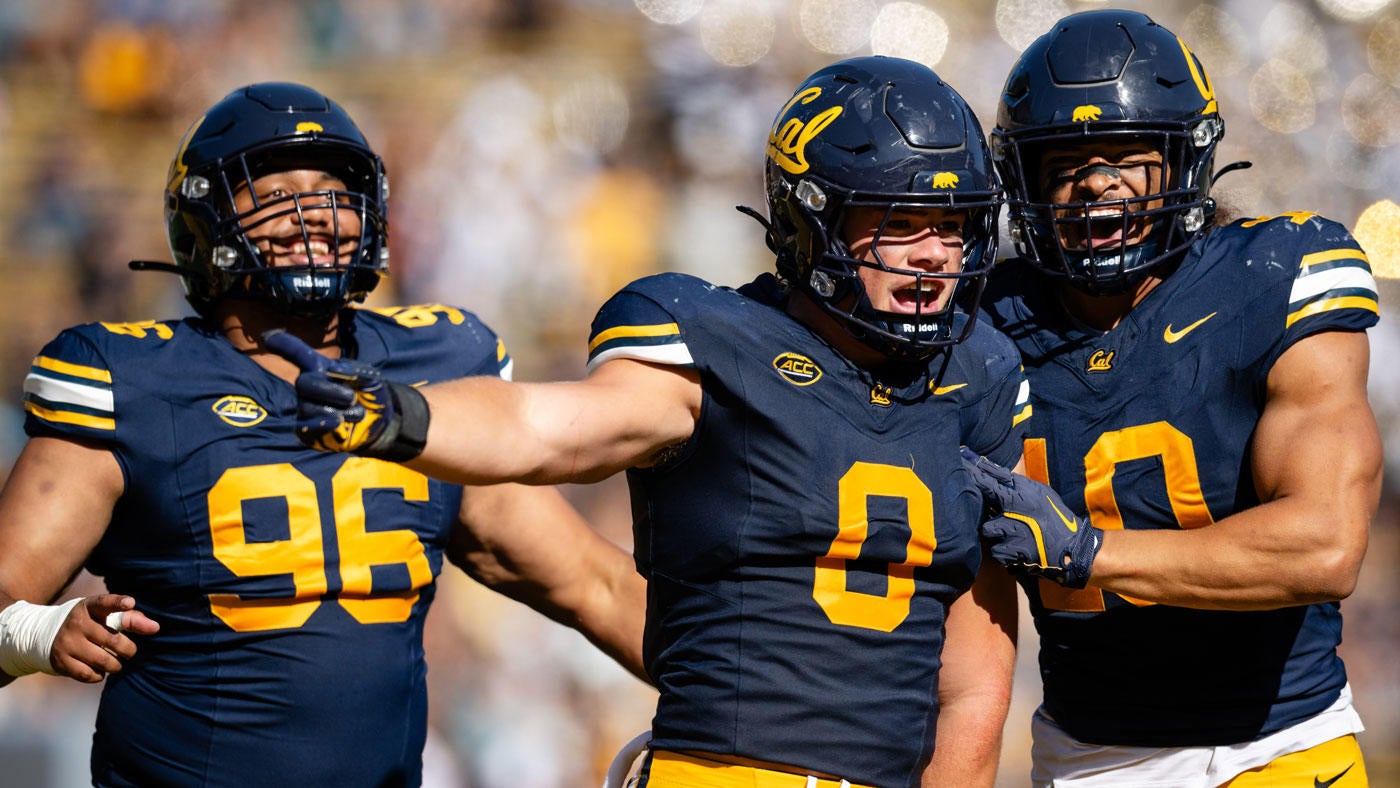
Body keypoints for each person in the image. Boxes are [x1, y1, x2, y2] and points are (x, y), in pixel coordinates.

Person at [269, 56, 1030, 787]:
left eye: (955, 224)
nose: (937, 254)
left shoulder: (978, 376)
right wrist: (403, 413)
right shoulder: (714, 339)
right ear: (814, 218)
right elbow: (551, 425)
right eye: (904, 222)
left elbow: (975, 690)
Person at [0, 82, 645, 787]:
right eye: (276, 189)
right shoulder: (137, 382)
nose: (314, 211)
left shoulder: (431, 371)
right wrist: (33, 632)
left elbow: (598, 586)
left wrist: (756, 704)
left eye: (335, 191)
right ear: (207, 219)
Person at [965, 9, 1382, 787]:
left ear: (1184, 161)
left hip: (1280, 748)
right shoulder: (983, 326)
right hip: (1089, 760)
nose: (1096, 183)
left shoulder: (1274, 274)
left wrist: (1087, 554)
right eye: (1064, 162)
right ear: (1023, 181)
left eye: (1126, 155)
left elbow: (1325, 544)